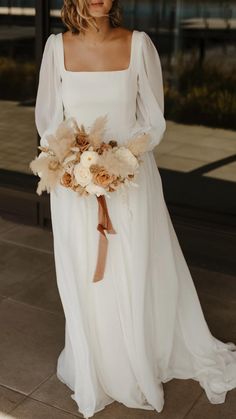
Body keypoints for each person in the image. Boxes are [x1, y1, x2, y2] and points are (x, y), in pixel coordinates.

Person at [34, 1, 236, 418]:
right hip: (74, 189)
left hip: (128, 180)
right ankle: (97, 364)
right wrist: (75, 163)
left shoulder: (138, 45)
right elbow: (48, 120)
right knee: (85, 275)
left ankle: (136, 357)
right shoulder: (56, 47)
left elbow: (153, 120)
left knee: (133, 268)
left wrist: (115, 161)